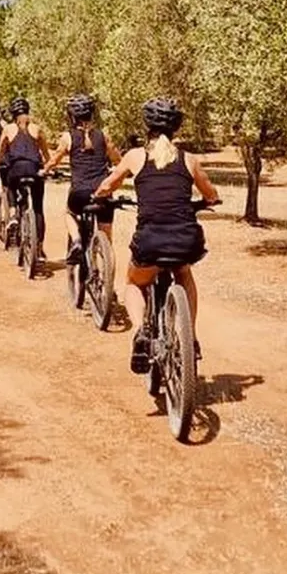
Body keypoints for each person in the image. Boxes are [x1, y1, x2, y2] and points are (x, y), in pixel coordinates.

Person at [94, 97, 219, 373]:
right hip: (185, 239)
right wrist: (209, 201)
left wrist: (100, 195)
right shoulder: (189, 160)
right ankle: (191, 338)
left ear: (146, 126)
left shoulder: (136, 157)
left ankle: (140, 332)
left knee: (133, 284)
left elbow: (107, 184)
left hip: (150, 240)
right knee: (183, 273)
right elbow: (210, 194)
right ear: (176, 129)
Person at [41, 93, 122, 264]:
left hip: (79, 193)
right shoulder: (103, 136)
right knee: (106, 232)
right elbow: (117, 159)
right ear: (92, 114)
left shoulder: (68, 137)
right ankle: (105, 266)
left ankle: (77, 240)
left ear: (72, 116)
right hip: (102, 194)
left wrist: (44, 170)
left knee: (69, 213)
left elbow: (54, 160)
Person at [0, 96, 51, 257]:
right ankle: (39, 248)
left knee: (8, 185)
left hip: (15, 170)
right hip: (34, 170)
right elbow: (45, 154)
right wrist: (49, 168)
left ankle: (12, 214)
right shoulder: (37, 129)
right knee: (38, 208)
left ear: (12, 113)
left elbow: (0, 151)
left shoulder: (9, 129)